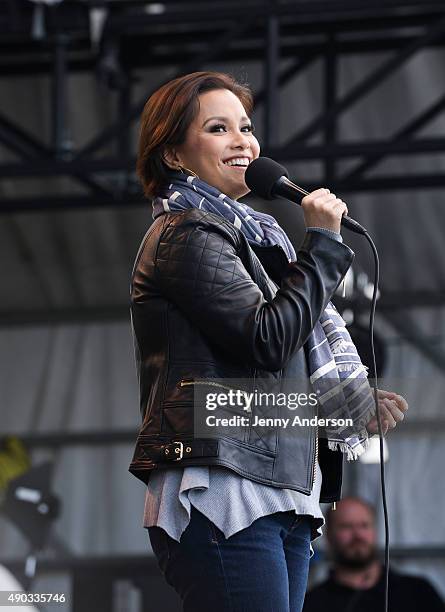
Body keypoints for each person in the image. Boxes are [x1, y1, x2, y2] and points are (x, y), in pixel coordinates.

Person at [128, 71, 408, 612]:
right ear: (175, 155)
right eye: (218, 128)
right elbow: (267, 339)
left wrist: (344, 404)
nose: (244, 142)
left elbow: (275, 361)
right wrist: (323, 245)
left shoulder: (258, 241)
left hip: (280, 485)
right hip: (223, 487)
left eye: (246, 126)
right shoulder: (186, 232)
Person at [303, 497, 445, 612]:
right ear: (328, 535)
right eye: (346, 526)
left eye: (364, 525)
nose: (358, 535)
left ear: (375, 531)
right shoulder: (312, 603)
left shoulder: (418, 592)